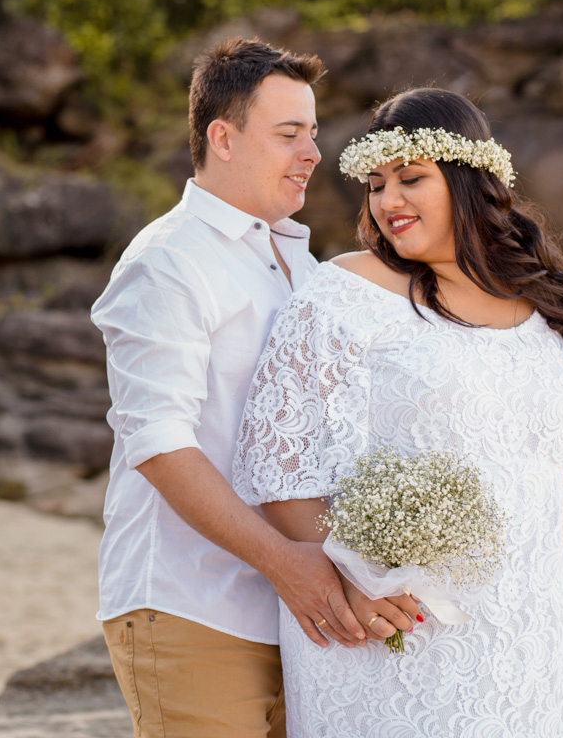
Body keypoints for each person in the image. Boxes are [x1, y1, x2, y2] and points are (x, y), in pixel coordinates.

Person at [233, 86, 563, 736]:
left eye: (411, 179)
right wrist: (355, 579)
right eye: (376, 184)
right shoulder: (344, 293)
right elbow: (276, 465)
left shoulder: (551, 307)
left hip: (526, 634)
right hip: (392, 623)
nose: (388, 202)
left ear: (471, 181)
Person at [90, 38, 414, 737]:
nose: (313, 153)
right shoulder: (169, 261)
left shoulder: (302, 264)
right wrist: (289, 562)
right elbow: (157, 441)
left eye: (315, 134)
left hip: (300, 612)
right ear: (223, 138)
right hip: (192, 604)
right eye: (289, 134)